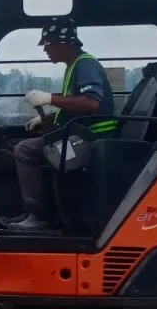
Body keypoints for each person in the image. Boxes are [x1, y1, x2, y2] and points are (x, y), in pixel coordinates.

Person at [8, 19, 116, 233]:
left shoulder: (86, 64)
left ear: (64, 43)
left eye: (48, 44)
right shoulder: (74, 65)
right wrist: (53, 116)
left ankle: (39, 215)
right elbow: (75, 104)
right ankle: (34, 212)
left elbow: (91, 104)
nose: (46, 49)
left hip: (87, 140)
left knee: (25, 150)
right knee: (34, 146)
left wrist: (49, 98)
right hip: (79, 134)